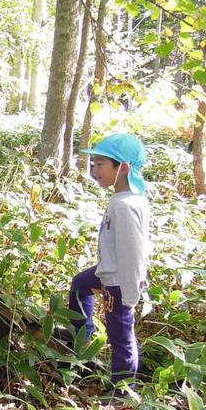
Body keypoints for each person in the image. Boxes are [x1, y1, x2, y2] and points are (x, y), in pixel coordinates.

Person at [70, 134, 150, 386]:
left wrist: (128, 294)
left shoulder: (125, 206)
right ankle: (82, 339)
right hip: (109, 270)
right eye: (93, 164)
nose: (94, 170)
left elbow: (133, 251)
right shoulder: (122, 199)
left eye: (100, 164)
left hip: (119, 281)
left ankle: (124, 388)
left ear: (124, 167)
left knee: (121, 333)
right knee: (80, 285)